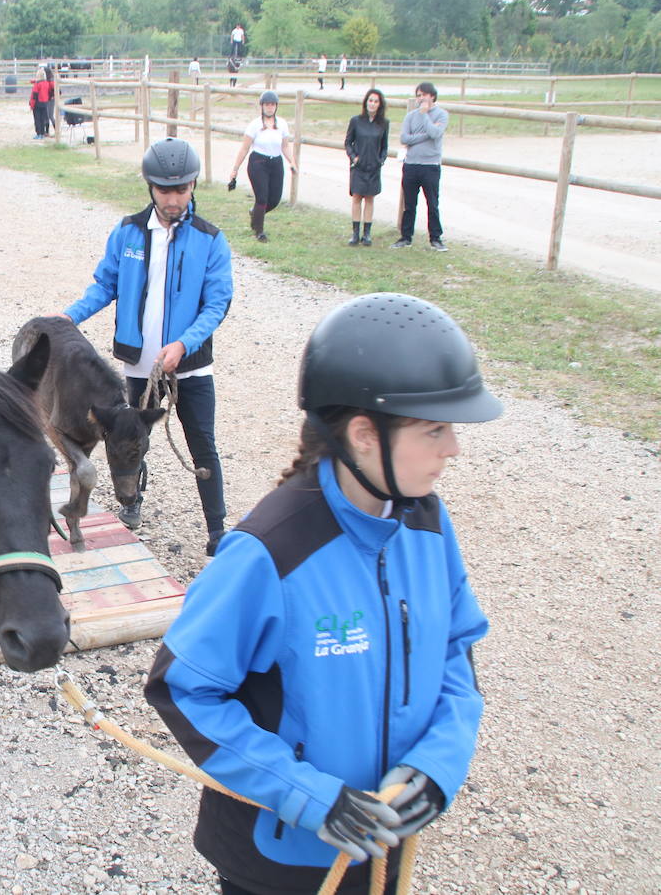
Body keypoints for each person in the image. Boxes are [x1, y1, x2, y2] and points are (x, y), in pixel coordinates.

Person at [146, 291, 501, 895]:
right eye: (435, 429)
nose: (453, 449)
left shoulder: (427, 524)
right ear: (365, 433)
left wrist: (437, 766)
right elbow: (183, 690)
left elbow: (456, 654)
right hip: (278, 863)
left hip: (380, 847)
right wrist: (311, 798)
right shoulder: (270, 551)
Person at [58, 138, 233, 555]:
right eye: (164, 190)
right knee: (127, 440)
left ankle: (217, 530)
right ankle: (131, 501)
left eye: (181, 190)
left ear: (193, 187)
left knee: (202, 444)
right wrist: (70, 317)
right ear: (150, 187)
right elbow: (105, 284)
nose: (173, 199)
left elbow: (217, 303)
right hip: (138, 368)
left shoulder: (211, 240)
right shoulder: (128, 233)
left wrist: (184, 343)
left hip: (189, 368)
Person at [228, 90, 297, 243]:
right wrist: (235, 169)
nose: (270, 107)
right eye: (267, 104)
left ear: (276, 106)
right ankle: (259, 230)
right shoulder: (255, 125)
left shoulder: (282, 124)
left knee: (274, 199)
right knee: (262, 198)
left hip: (276, 162)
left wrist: (292, 162)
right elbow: (244, 148)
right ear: (262, 106)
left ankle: (255, 213)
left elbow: (285, 146)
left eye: (272, 104)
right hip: (258, 162)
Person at [394, 82, 449, 251]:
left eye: (424, 95)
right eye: (418, 95)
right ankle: (406, 236)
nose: (421, 98)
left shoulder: (441, 115)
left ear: (432, 96)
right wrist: (425, 136)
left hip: (430, 166)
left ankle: (435, 238)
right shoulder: (410, 116)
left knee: (432, 203)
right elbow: (404, 138)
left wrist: (425, 116)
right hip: (411, 164)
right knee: (409, 204)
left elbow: (435, 133)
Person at [344, 89, 389, 247]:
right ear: (366, 102)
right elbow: (348, 142)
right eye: (370, 100)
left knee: (370, 198)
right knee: (357, 197)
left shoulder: (384, 123)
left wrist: (381, 160)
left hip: (373, 166)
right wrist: (353, 157)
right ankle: (355, 233)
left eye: (376, 101)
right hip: (359, 165)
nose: (373, 104)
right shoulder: (356, 121)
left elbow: (384, 146)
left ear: (379, 104)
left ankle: (367, 234)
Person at [29, 67, 54, 139]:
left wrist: (31, 105)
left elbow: (34, 95)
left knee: (37, 119)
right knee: (43, 119)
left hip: (37, 103)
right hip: (45, 103)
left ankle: (38, 133)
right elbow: (50, 92)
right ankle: (43, 133)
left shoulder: (37, 85)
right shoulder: (46, 83)